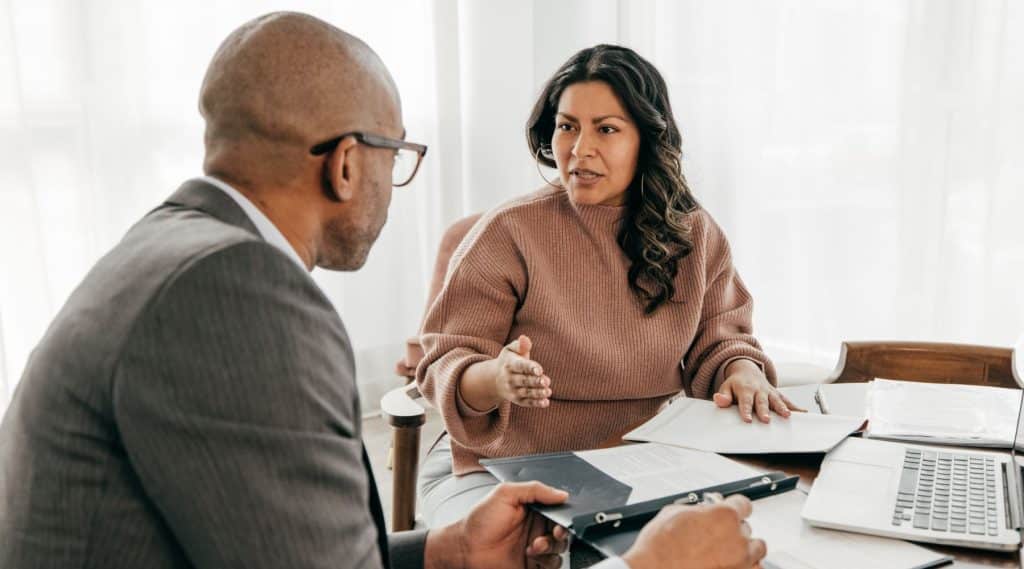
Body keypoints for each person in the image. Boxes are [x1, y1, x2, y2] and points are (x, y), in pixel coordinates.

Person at [0, 13, 766, 569]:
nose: (579, 148)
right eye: (396, 155)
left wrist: (445, 551)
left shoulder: (177, 248)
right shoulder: (235, 293)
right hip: (527, 461)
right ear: (345, 164)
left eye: (607, 129)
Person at [416, 44, 801, 528]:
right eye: (567, 126)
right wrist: (495, 378)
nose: (580, 149)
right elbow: (443, 364)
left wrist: (742, 372)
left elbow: (722, 340)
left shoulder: (695, 234)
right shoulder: (507, 232)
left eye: (607, 129)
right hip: (506, 465)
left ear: (647, 139)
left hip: (645, 461)